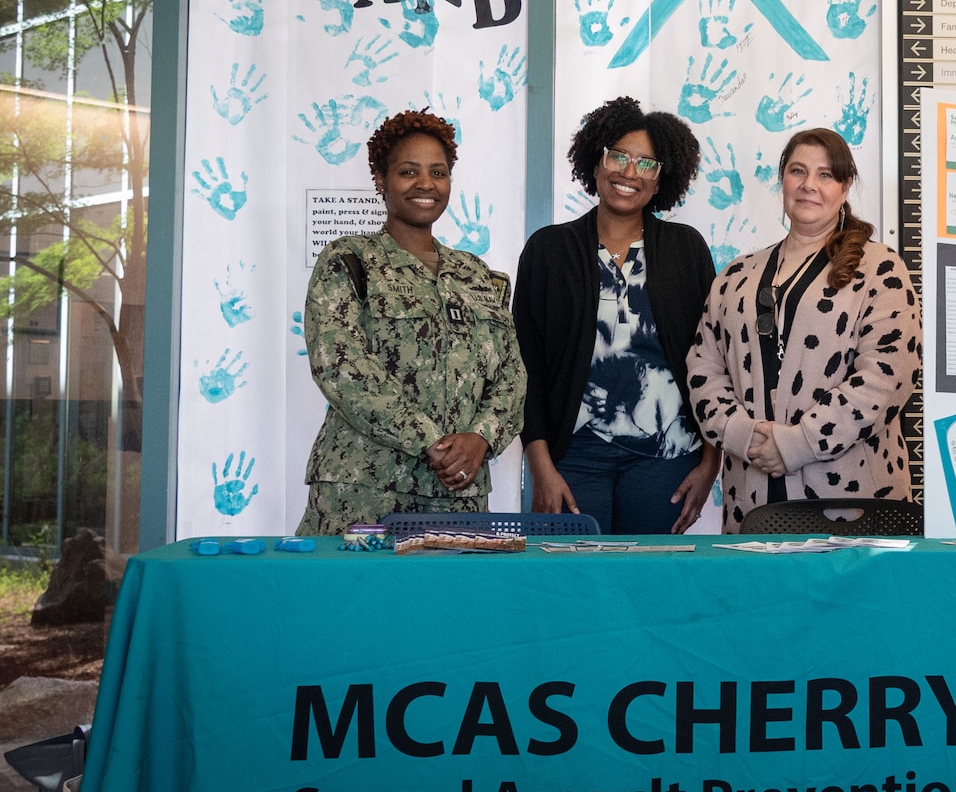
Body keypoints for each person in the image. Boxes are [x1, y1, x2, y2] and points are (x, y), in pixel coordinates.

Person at [296, 110, 526, 535]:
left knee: (448, 604)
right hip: (364, 493)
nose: (426, 184)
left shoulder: (477, 274)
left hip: (460, 495)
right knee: (355, 603)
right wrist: (430, 443)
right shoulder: (348, 261)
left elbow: (511, 376)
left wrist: (481, 439)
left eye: (438, 172)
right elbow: (342, 368)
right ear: (381, 181)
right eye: (408, 171)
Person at [687, 127, 922, 531]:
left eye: (825, 175)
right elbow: (702, 370)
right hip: (751, 499)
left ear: (845, 187)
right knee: (757, 596)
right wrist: (744, 435)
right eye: (798, 171)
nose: (809, 185)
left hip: (852, 501)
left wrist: (798, 444)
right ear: (783, 182)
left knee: (853, 597)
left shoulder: (880, 268)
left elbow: (888, 379)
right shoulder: (735, 276)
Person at [514, 97, 720, 534]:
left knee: (648, 593)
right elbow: (524, 366)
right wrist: (540, 466)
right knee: (573, 591)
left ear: (662, 177)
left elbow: (714, 361)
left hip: (667, 459)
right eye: (619, 156)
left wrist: (710, 462)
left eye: (646, 163)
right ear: (596, 160)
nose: (629, 173)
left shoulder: (687, 249)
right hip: (574, 458)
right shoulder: (548, 250)